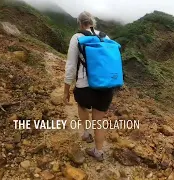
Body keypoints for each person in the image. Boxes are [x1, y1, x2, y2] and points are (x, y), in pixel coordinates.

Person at [63, 11, 114, 162]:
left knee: (82, 106)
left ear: (79, 23)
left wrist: (66, 90)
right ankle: (99, 152)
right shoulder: (105, 36)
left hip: (85, 86)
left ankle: (86, 133)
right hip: (105, 86)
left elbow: (71, 66)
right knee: (99, 120)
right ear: (93, 22)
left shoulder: (77, 37)